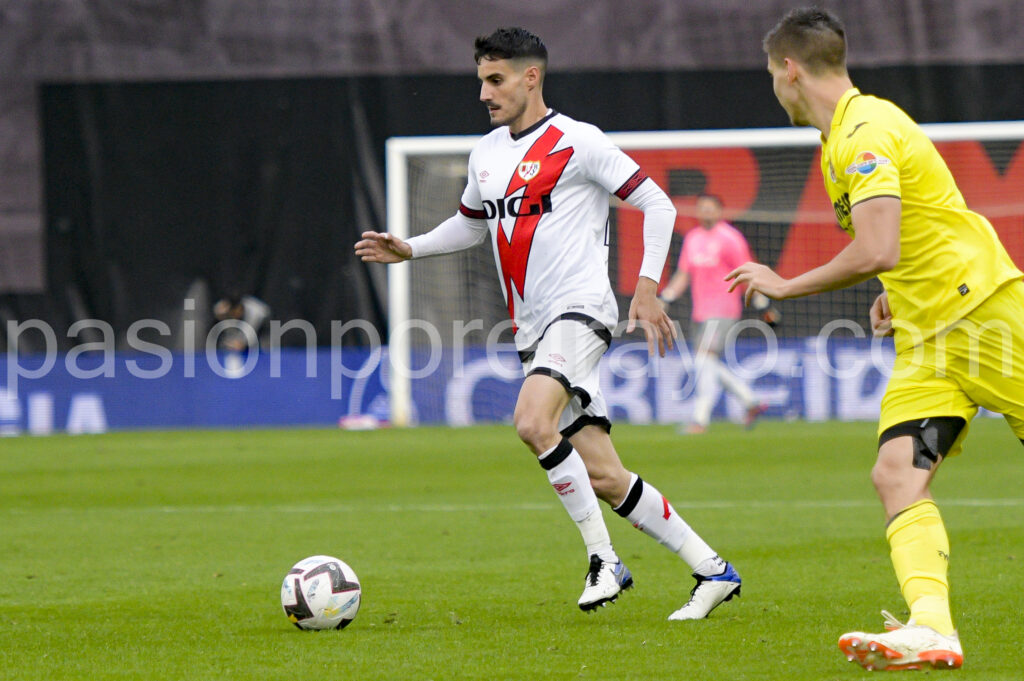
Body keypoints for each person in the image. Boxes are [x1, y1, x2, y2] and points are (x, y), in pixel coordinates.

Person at [356, 27, 741, 620]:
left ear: (530, 77)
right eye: (482, 79)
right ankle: (713, 571)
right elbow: (471, 225)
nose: (485, 92)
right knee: (606, 476)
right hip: (533, 328)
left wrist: (645, 286)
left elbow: (656, 203)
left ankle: (603, 559)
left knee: (532, 422)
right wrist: (409, 248)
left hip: (581, 310)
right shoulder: (485, 153)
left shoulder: (578, 141)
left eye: (496, 79)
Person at [728, 7, 1024, 670]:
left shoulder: (863, 132)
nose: (776, 90)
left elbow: (877, 244)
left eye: (773, 76)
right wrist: (903, 284)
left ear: (790, 68)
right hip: (929, 340)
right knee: (897, 474)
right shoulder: (848, 134)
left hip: (984, 319)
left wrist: (783, 283)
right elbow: (920, 226)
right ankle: (933, 627)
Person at [659, 193, 772, 434]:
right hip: (700, 310)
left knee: (703, 360)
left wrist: (762, 303)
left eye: (710, 209)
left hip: (724, 308)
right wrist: (666, 296)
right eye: (702, 208)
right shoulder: (692, 238)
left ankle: (700, 420)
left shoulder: (730, 238)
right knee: (706, 362)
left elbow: (746, 272)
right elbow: (683, 274)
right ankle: (750, 401)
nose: (706, 213)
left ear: (720, 212)